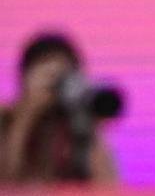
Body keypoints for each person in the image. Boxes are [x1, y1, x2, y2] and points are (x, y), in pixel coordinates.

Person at [0, 32, 120, 184]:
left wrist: (88, 122)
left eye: (63, 74)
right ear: (25, 77)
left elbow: (108, 188)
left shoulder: (76, 125)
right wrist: (27, 114)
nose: (54, 82)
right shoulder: (5, 118)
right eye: (46, 72)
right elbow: (7, 179)